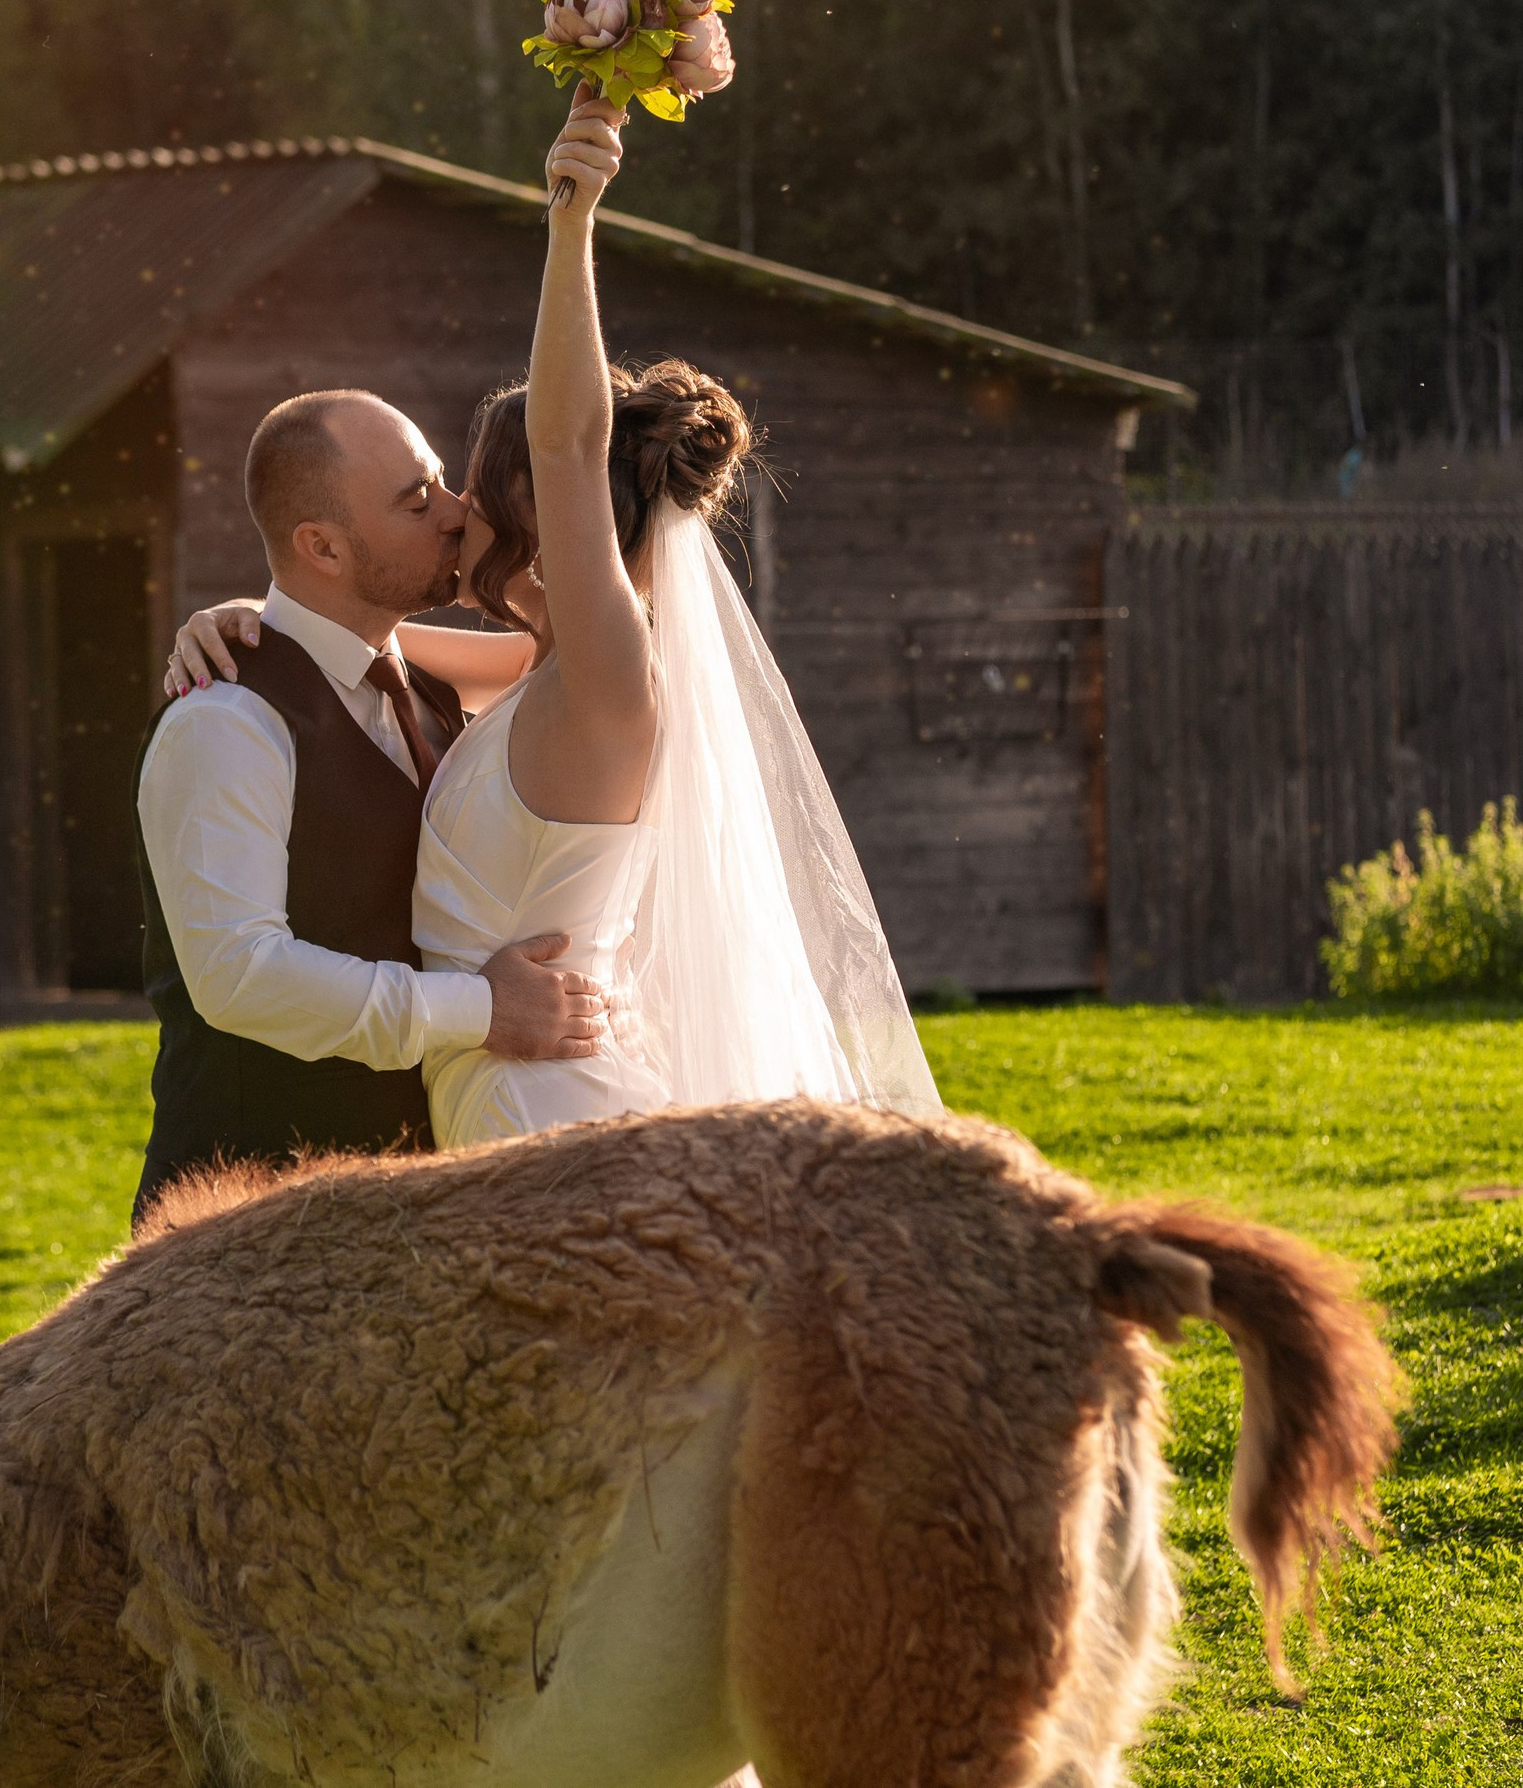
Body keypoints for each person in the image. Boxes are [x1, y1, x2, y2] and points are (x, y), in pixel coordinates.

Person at [165, 82, 940, 1150]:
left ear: (543, 508)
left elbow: (571, 444)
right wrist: (238, 618)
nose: (458, 509)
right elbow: (338, 651)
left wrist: (570, 215)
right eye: (425, 494)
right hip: (481, 1112)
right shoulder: (532, 670)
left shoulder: (613, 679)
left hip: (552, 1106)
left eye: (472, 483)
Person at [130, 375, 613, 1223]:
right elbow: (238, 978)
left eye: (441, 484)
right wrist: (482, 1011)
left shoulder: (422, 686)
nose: (458, 513)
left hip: (406, 1200)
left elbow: (572, 647)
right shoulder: (224, 719)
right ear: (323, 548)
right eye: (416, 500)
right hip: (246, 1218)